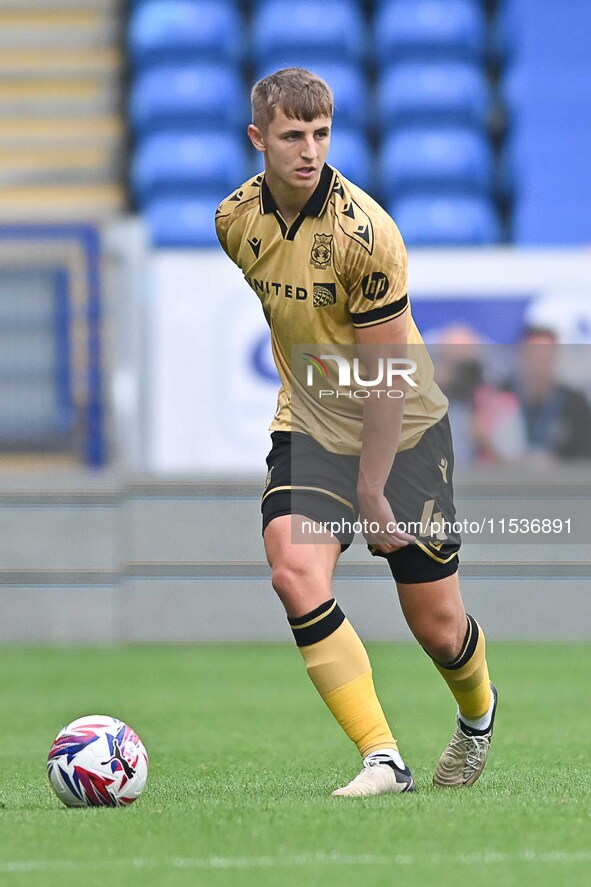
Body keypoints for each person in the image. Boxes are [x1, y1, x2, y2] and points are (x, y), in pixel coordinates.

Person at [215, 68, 497, 796]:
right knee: (293, 569)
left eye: (320, 134)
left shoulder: (365, 234)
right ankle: (384, 758)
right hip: (309, 423)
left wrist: (371, 488)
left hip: (401, 428)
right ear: (258, 139)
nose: (308, 150)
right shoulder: (233, 222)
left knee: (436, 625)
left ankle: (476, 717)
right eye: (291, 135)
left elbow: (386, 374)